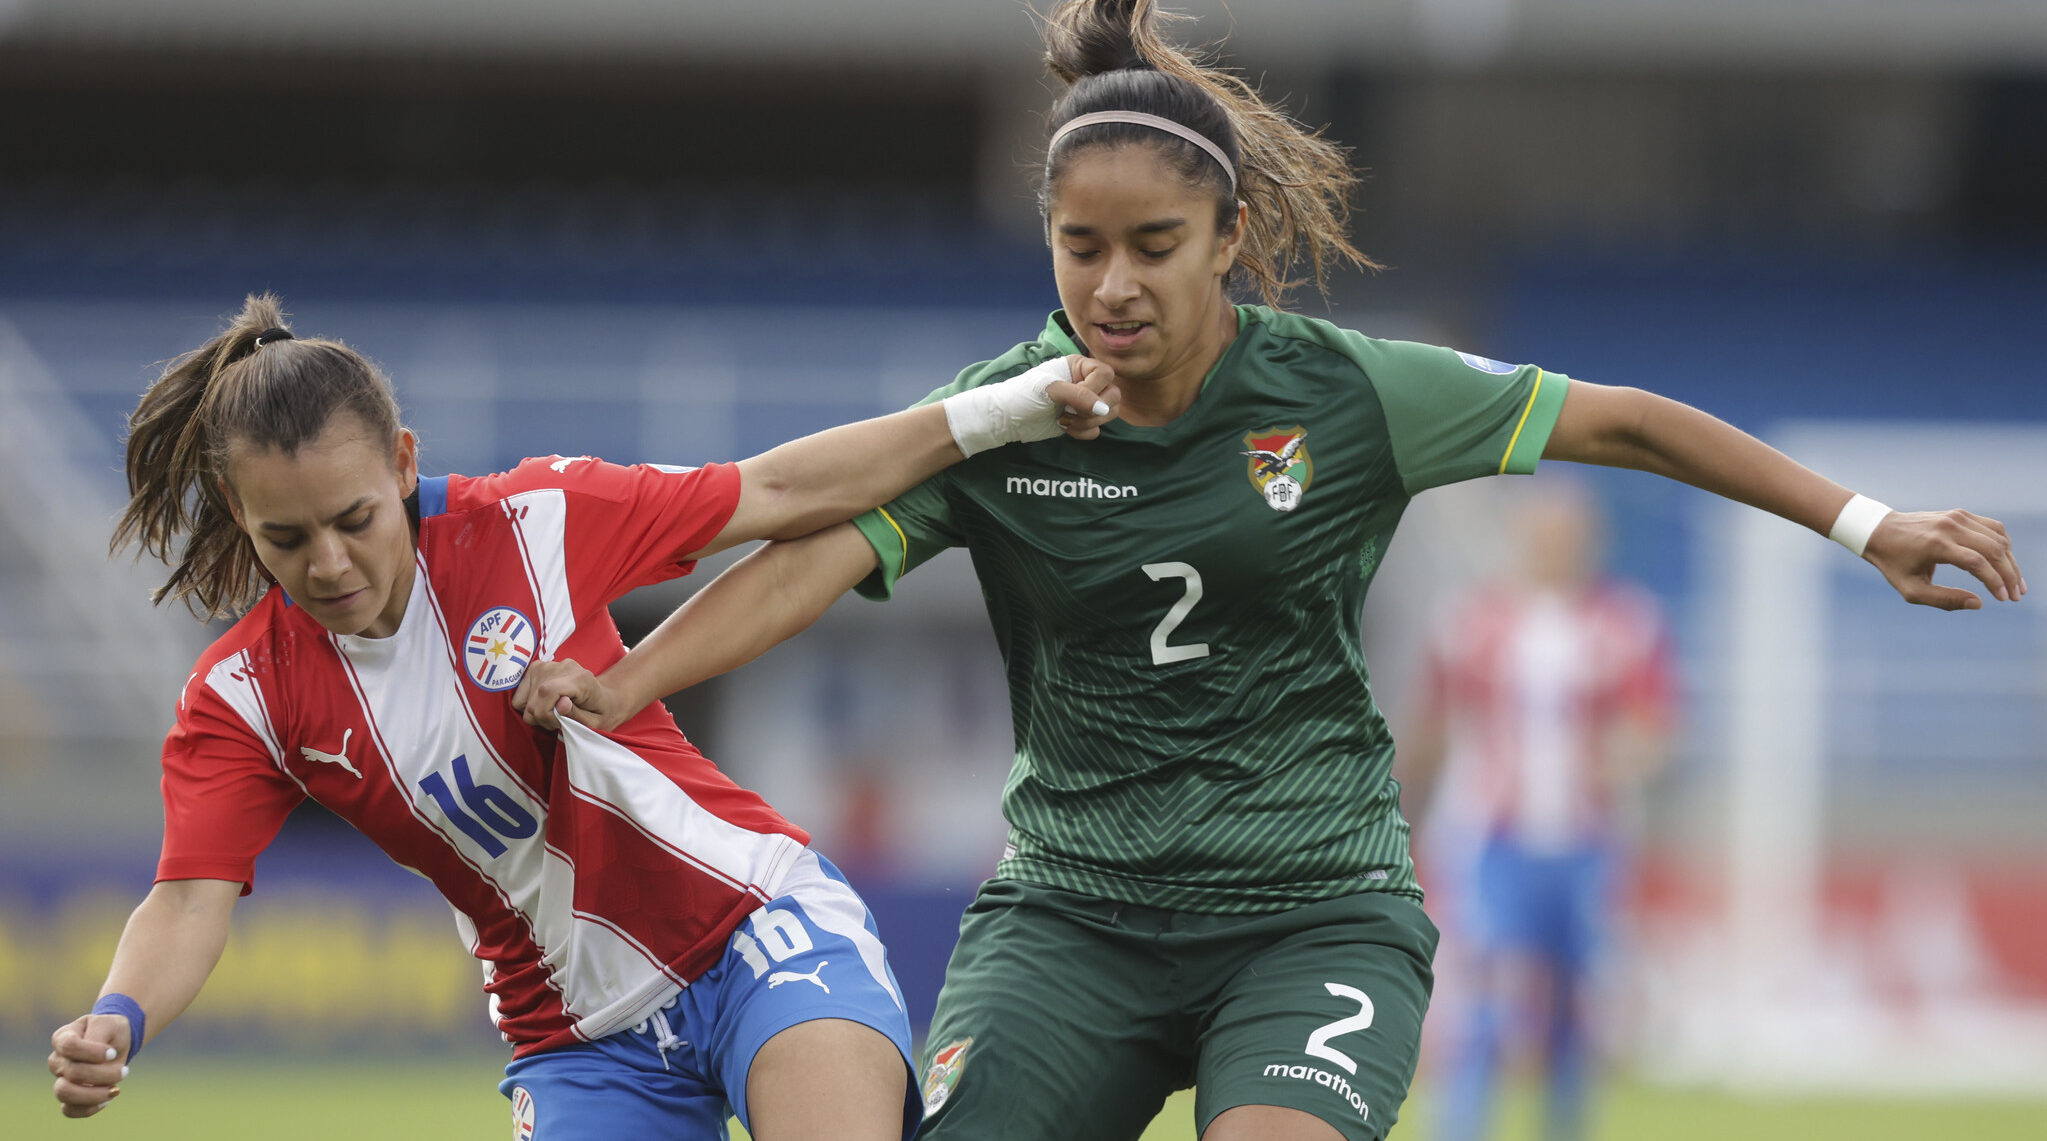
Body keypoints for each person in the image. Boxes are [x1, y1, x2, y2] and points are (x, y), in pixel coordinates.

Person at [510, 2, 2026, 1139]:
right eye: (1076, 245)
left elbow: (1618, 420)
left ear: (1228, 237)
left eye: (1152, 244)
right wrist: (632, 675)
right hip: (1071, 915)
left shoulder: (1348, 393)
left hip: (1312, 907)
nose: (1110, 284)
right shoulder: (998, 414)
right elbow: (806, 558)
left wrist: (1861, 521)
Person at [43, 294, 1117, 1140]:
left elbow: (779, 492)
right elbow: (186, 902)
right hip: (573, 1037)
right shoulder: (244, 696)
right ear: (240, 516)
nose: (327, 562)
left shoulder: (536, 521)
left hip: (755, 930)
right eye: (285, 539)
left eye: (354, 518)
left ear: (405, 462)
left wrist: (1005, 409)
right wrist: (119, 1016)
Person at [1400, 483, 1674, 1141]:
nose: (1553, 547)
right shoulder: (1468, 621)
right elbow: (1430, 727)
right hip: (1490, 840)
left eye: (1566, 535)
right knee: (1485, 1003)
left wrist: (1628, 755)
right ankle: (1459, 1129)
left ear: (1589, 542)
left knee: (1573, 1012)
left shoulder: (1626, 622)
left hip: (1585, 841)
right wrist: (1400, 816)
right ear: (1520, 539)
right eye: (1542, 533)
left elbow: (1652, 722)